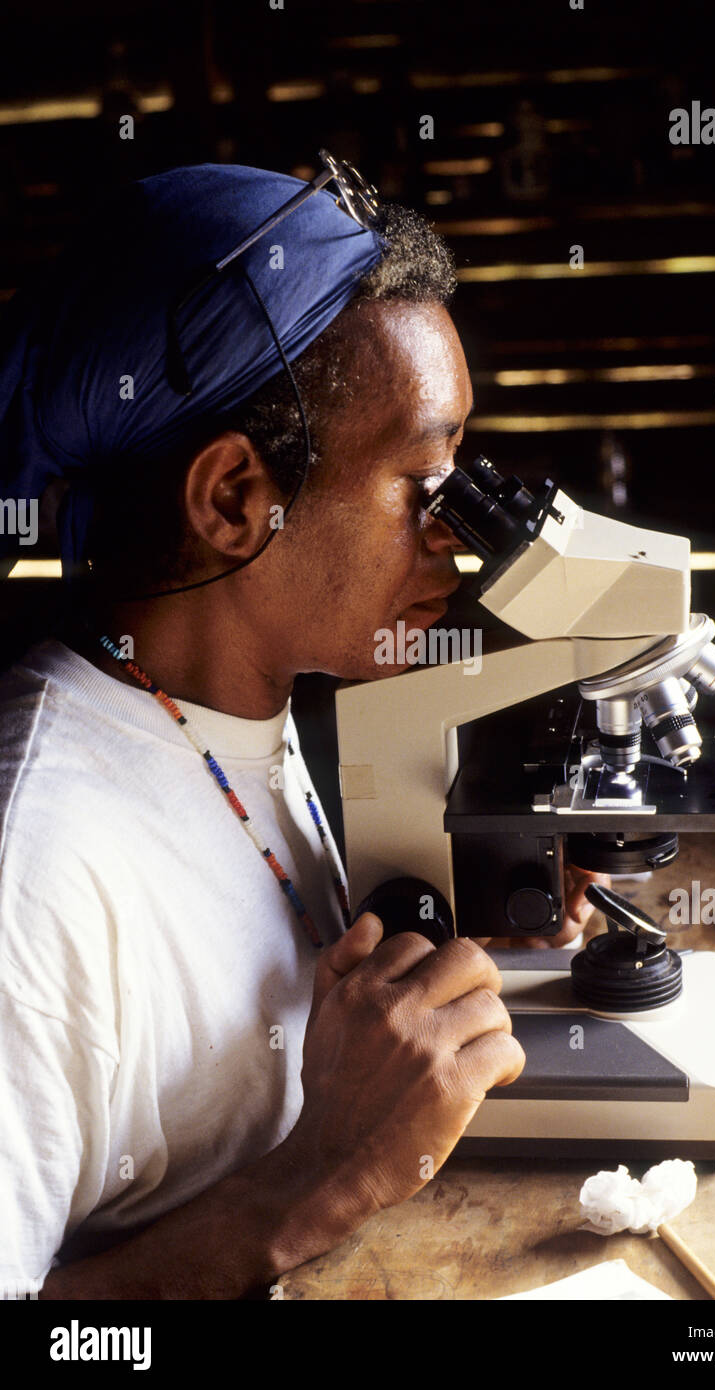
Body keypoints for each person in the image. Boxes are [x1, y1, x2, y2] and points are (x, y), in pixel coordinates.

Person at [0, 159, 601, 1299]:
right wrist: (315, 1180)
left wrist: (466, 937)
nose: (455, 543)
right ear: (234, 497)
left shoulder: (236, 715)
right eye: (423, 484)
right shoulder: (33, 874)